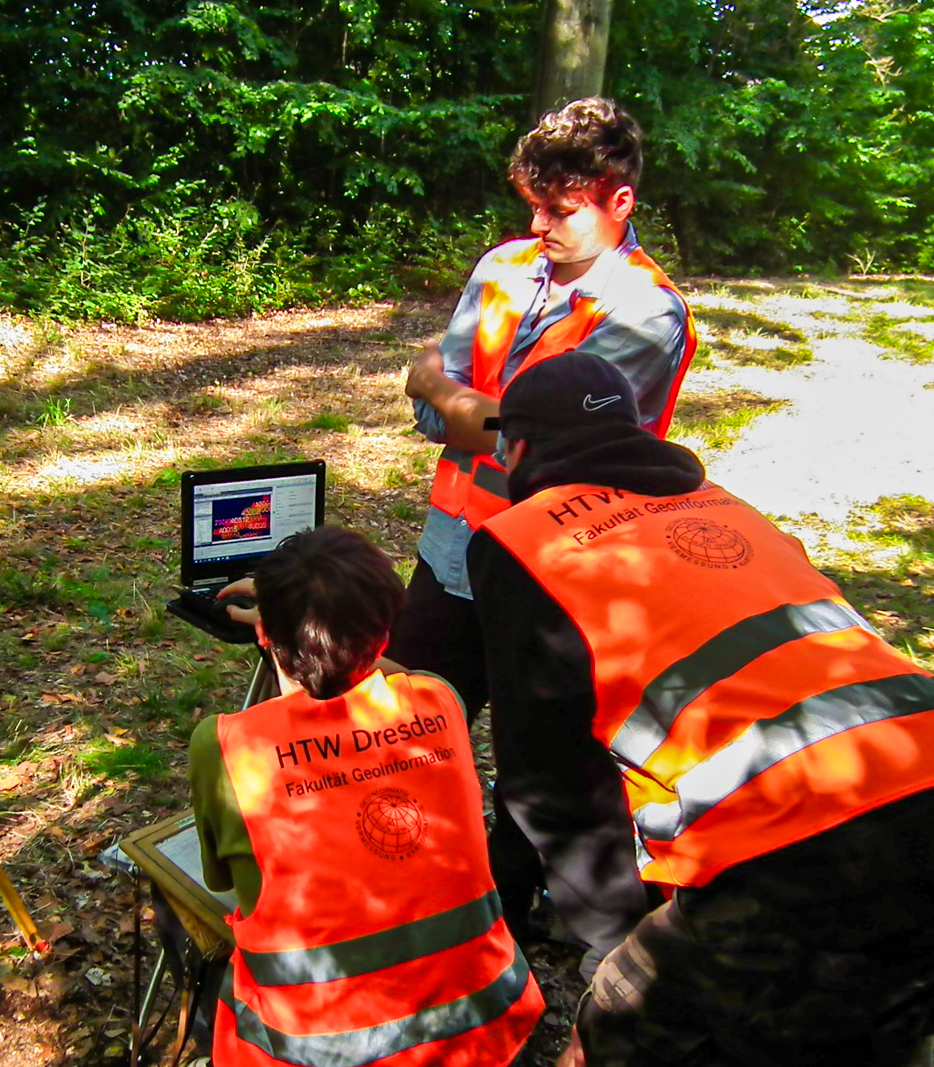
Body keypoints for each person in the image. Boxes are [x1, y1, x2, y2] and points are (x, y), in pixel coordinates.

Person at [468, 350, 934, 1066]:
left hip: (788, 836)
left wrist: (617, 939)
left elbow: (548, 781)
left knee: (614, 1039)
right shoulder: (724, 501)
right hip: (915, 760)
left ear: (519, 449)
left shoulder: (523, 540)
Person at [190, 525, 542, 1067]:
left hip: (311, 1047)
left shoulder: (225, 746)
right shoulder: (441, 701)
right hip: (485, 1020)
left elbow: (227, 883)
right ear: (384, 636)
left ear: (264, 636)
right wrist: (326, 622)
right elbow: (402, 677)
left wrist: (292, 619)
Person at [396, 96, 698, 722]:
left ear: (620, 204)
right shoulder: (500, 268)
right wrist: (464, 412)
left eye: (560, 210)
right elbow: (441, 425)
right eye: (534, 206)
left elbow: (533, 446)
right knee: (406, 735)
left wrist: (434, 385)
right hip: (451, 551)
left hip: (563, 572)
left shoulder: (646, 312)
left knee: (538, 781)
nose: (539, 225)